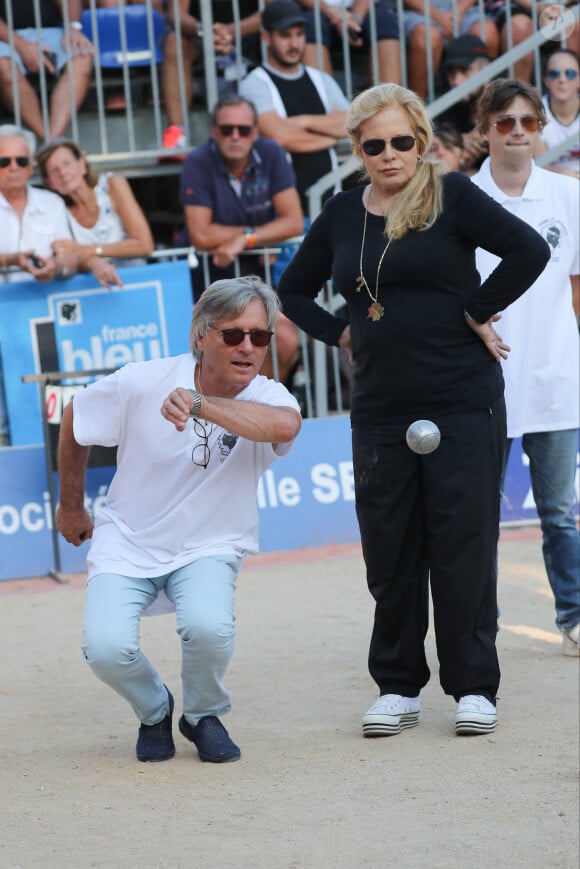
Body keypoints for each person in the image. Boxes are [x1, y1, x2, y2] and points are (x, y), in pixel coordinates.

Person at [277, 82, 550, 737]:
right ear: (358, 150)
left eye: (403, 141)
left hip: (463, 400)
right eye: (375, 145)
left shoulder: (451, 195)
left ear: (422, 141)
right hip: (379, 409)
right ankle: (397, 686)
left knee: (462, 545)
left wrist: (477, 309)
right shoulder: (342, 212)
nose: (390, 154)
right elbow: (292, 289)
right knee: (391, 552)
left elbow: (529, 250)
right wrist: (339, 331)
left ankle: (473, 687)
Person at [55, 275, 302, 763]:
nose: (248, 347)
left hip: (211, 543)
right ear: (201, 337)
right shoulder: (142, 379)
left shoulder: (270, 396)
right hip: (127, 540)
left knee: (209, 627)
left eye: (260, 336)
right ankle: (155, 709)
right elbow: (74, 418)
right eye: (233, 334)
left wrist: (199, 404)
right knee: (106, 649)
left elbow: (285, 426)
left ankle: (202, 715)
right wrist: (70, 504)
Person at [472, 78, 580, 657]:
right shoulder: (461, 198)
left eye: (529, 123)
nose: (517, 132)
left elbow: (576, 288)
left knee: (561, 513)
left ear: (541, 131)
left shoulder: (569, 195)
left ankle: (575, 616)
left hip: (558, 381)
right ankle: (478, 629)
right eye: (506, 123)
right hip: (482, 385)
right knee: (479, 519)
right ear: (484, 131)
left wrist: (559, 343)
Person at [180, 92, 303, 385]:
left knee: (285, 342)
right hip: (207, 285)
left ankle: (255, 408)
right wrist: (256, 236)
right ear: (214, 133)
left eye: (244, 130)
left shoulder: (271, 153)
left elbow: (294, 221)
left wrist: (245, 240)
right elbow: (201, 234)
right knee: (215, 350)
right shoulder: (197, 162)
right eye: (226, 130)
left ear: (255, 133)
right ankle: (225, 412)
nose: (235, 136)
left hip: (257, 283)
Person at [0, 124, 79, 446]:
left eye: (21, 161)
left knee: (51, 405)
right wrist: (11, 260)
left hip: (43, 319)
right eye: (4, 162)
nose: (14, 168)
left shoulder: (52, 203)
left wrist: (57, 266)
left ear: (32, 165)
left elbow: (71, 257)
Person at [238, 0, 349, 214]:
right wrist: (331, 138)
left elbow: (352, 123)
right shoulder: (255, 83)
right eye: (285, 35)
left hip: (329, 207)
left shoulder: (321, 79)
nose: (294, 43)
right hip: (282, 212)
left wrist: (304, 121)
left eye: (299, 34)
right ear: (266, 37)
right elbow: (283, 138)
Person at [36, 138, 155, 289]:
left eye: (67, 163)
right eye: (54, 170)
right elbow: (68, 256)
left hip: (138, 282)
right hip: (93, 290)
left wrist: (87, 250)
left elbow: (144, 245)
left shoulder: (112, 185)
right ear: (49, 182)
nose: (63, 173)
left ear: (82, 165)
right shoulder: (57, 211)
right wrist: (90, 259)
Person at [160, 0, 264, 157]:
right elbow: (176, 14)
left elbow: (271, 10)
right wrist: (204, 31)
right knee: (174, 42)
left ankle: (276, 127)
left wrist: (230, 31)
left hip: (251, 37)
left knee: (281, 31)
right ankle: (176, 135)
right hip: (200, 37)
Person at [0, 0, 93, 142]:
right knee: (2, 64)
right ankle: (49, 141)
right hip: (5, 38)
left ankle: (53, 141)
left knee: (82, 55)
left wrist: (73, 28)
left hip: (49, 32)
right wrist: (23, 46)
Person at [400, 0, 497, 100]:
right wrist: (438, 16)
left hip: (462, 10)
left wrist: (457, 13)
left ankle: (487, 102)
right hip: (418, 12)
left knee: (486, 32)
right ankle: (416, 104)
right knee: (427, 37)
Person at [297, 0, 401, 87]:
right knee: (311, 25)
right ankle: (325, 104)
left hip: (361, 8)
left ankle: (389, 103)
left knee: (385, 21)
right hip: (314, 7)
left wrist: (354, 20)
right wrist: (333, 13)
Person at [434, 34, 491, 174]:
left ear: (486, 69)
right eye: (451, 72)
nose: (457, 81)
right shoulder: (445, 111)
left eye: (465, 71)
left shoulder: (507, 104)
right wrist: (459, 145)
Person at [534, 48, 580, 180]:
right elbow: (541, 167)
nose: (562, 79)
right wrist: (573, 176)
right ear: (546, 80)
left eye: (570, 74)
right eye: (554, 74)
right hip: (552, 184)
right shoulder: (537, 112)